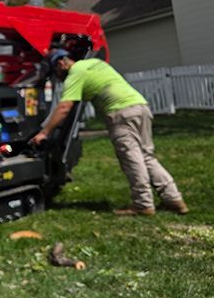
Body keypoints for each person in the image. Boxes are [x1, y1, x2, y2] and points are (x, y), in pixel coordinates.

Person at [32, 51, 187, 216]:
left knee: (131, 158)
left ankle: (143, 204)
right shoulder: (95, 64)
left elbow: (64, 107)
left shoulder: (76, 73)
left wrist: (44, 132)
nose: (58, 78)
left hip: (121, 114)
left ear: (60, 64)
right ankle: (174, 199)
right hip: (140, 107)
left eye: (55, 73)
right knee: (147, 156)